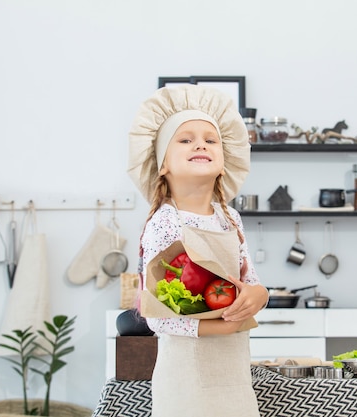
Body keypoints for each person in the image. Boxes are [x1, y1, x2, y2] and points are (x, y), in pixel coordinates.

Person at [127, 84, 269, 417]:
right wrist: (220, 326)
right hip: (185, 377)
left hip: (233, 372)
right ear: (162, 165)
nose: (200, 144)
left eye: (211, 139)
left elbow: (251, 280)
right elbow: (157, 315)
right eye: (185, 139)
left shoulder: (230, 218)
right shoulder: (165, 223)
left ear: (224, 163)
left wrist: (260, 295)